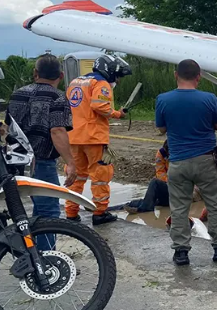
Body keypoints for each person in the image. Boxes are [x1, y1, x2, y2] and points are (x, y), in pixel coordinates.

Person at [155, 59, 217, 266]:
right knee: (215, 204)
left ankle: (181, 252)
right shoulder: (209, 99)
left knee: (179, 208)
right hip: (206, 160)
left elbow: (162, 129)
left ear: (175, 75)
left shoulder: (163, 99)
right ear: (198, 76)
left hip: (178, 162)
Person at [7, 54, 76, 251]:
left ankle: (28, 254)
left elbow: (8, 127)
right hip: (41, 162)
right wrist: (70, 162)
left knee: (19, 211)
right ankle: (45, 263)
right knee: (47, 212)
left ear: (35, 73)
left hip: (13, 161)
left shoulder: (18, 94)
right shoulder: (58, 97)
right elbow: (57, 131)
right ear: (61, 76)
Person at [65, 54, 130, 225]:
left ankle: (71, 213)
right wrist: (117, 114)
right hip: (93, 137)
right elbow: (99, 106)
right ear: (109, 71)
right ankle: (99, 213)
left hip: (73, 136)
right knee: (100, 175)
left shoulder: (75, 82)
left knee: (76, 176)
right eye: (117, 76)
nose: (117, 80)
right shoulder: (101, 84)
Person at [124, 140, 171, 213]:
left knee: (154, 182)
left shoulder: (183, 156)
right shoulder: (162, 153)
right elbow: (160, 172)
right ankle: (132, 205)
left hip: (179, 194)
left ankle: (146, 209)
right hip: (169, 189)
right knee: (144, 200)